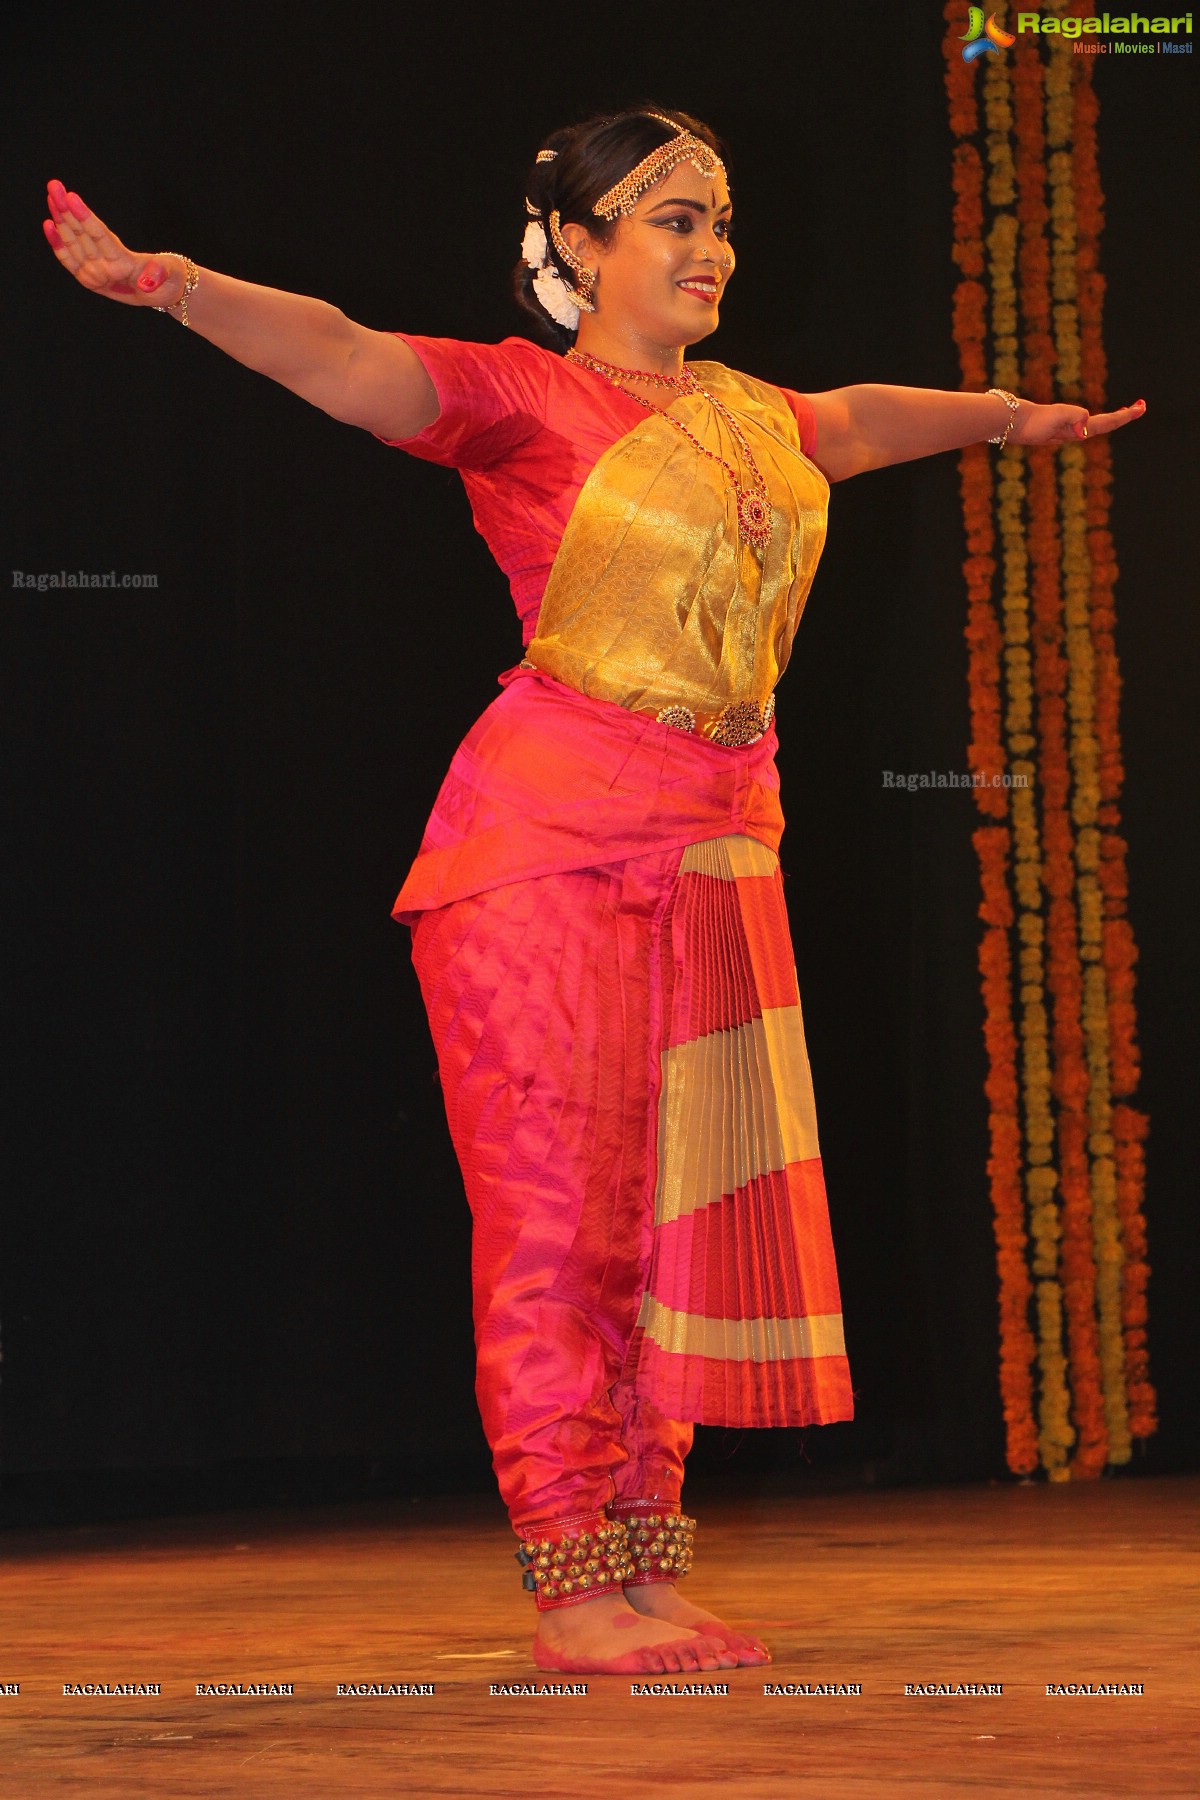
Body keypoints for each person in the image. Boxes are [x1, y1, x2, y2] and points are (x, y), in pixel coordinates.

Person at [43, 106, 1146, 1678]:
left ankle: (642, 1564)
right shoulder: (520, 394)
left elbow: (858, 416)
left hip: (718, 847)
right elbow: (349, 356)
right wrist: (176, 286)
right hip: (547, 847)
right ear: (576, 245)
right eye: (670, 218)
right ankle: (573, 1581)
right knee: (564, 1225)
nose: (710, 247)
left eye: (718, 219)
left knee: (675, 1225)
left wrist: (1001, 416)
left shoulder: (754, 412)